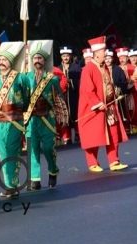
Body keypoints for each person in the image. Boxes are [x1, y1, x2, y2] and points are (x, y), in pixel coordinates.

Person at [78, 36, 128, 172]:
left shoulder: (104, 67)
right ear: (96, 53)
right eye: (104, 50)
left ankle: (114, 161)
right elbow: (88, 90)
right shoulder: (88, 69)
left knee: (113, 134)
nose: (106, 53)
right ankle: (92, 162)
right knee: (92, 135)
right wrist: (97, 103)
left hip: (109, 105)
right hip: (94, 108)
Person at [24, 40, 68, 190]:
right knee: (32, 149)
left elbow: (59, 99)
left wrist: (62, 117)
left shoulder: (52, 78)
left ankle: (52, 170)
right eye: (35, 58)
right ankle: (35, 179)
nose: (37, 60)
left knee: (49, 148)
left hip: (47, 118)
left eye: (40, 58)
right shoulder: (26, 78)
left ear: (44, 60)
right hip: (31, 119)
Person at [0, 42, 29, 198]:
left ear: (11, 61)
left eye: (5, 59)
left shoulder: (20, 78)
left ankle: (12, 185)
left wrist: (20, 113)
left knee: (12, 151)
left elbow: (26, 98)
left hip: (14, 121)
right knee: (3, 153)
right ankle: (9, 183)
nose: (1, 62)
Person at [58, 46, 81, 144]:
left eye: (67, 56)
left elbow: (81, 81)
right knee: (63, 116)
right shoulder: (57, 69)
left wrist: (70, 81)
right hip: (61, 96)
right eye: (64, 56)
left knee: (75, 114)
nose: (66, 58)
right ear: (61, 57)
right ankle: (67, 137)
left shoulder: (76, 68)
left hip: (73, 95)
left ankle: (77, 133)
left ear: (70, 57)